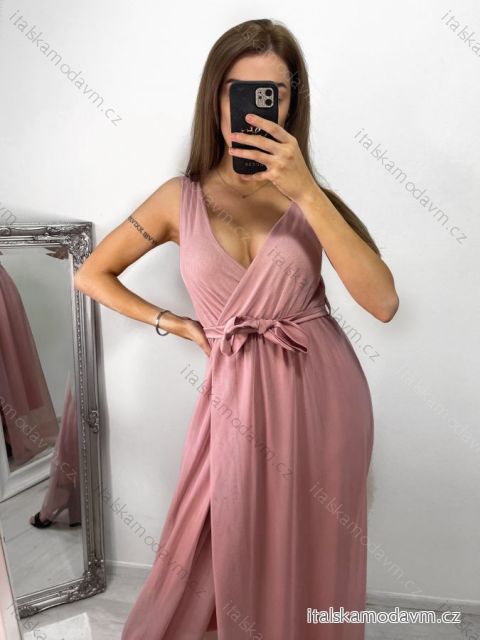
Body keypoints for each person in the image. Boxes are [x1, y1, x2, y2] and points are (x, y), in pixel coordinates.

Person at [74, 18, 399, 640]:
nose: (252, 108)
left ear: (291, 104)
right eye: (237, 90)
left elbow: (382, 302)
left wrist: (306, 192)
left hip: (325, 396)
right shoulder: (178, 198)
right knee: (224, 529)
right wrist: (176, 323)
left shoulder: (314, 200)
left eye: (272, 93)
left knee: (318, 541)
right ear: (215, 97)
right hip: (236, 395)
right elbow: (92, 274)